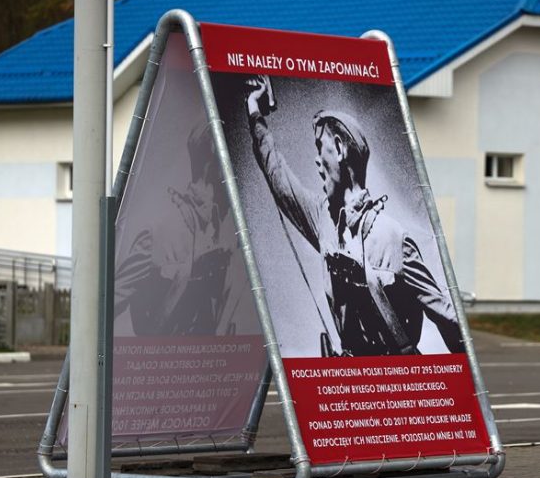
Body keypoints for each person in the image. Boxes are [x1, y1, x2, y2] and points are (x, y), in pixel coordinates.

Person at [245, 75, 462, 356]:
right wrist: (254, 110)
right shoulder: (322, 219)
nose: (316, 161)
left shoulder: (394, 238)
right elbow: (279, 178)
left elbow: (448, 319)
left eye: (319, 148)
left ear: (339, 149)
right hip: (351, 376)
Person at [113, 122, 235, 336]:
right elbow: (108, 308)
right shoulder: (158, 233)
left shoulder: (223, 233)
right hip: (163, 354)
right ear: (212, 165)